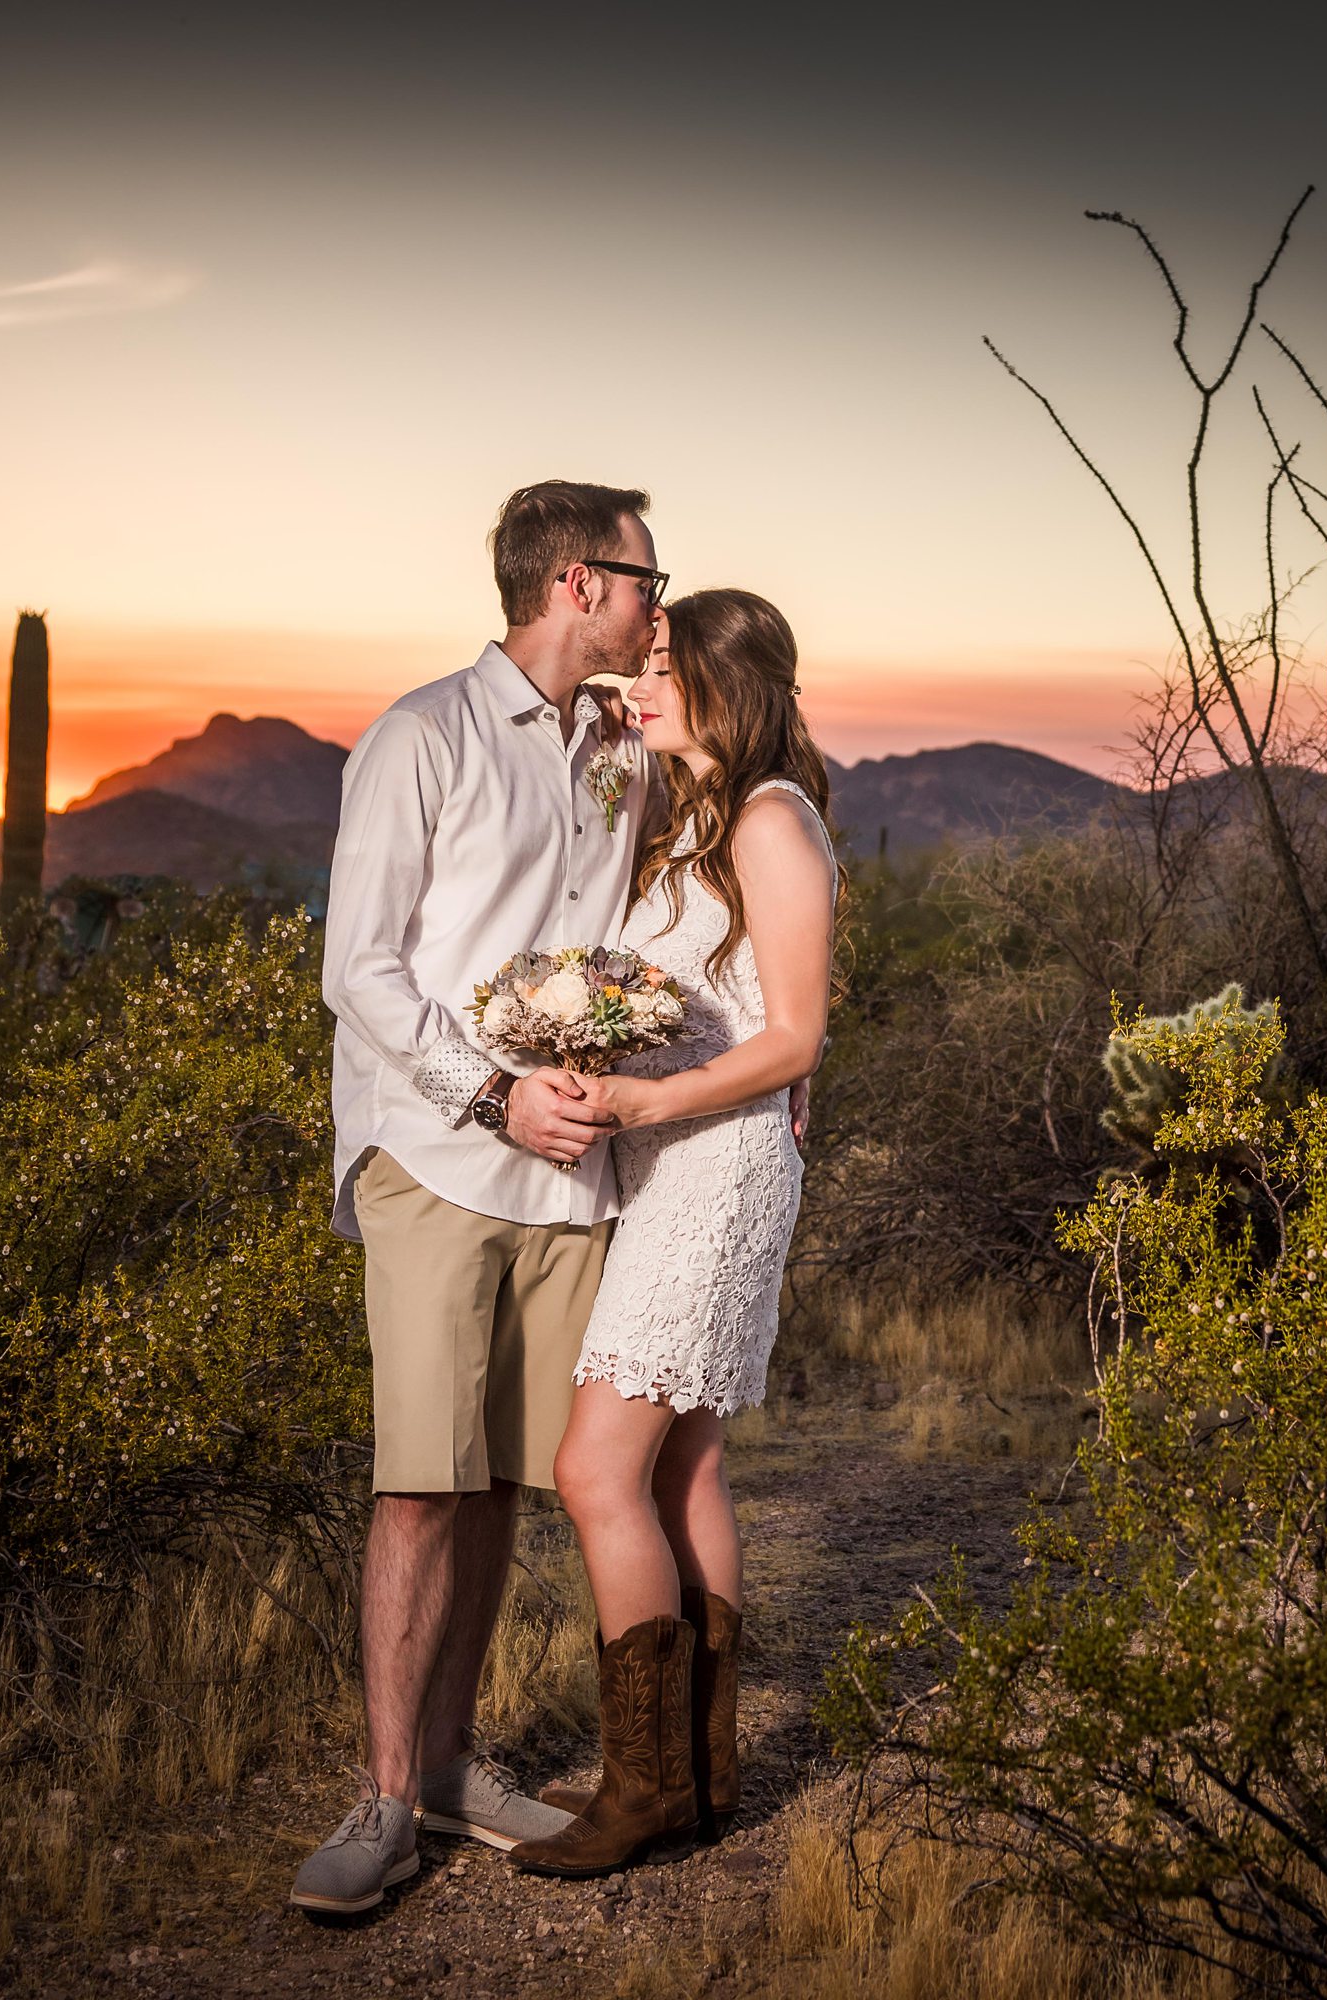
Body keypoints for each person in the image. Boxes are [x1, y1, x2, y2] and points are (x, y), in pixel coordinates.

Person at [290, 480, 668, 1915]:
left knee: (507, 1473)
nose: (655, 601)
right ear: (576, 583)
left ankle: (449, 1771)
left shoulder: (617, 750)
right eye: (644, 575)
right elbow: (360, 970)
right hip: (443, 1161)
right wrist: (490, 1093)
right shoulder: (422, 736)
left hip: (570, 1176)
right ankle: (386, 1802)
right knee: (420, 1479)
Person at [505, 588, 837, 1878]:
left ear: (725, 685)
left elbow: (796, 1034)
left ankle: (640, 1787)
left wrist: (648, 1095)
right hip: (667, 1161)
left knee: (597, 1469)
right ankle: (700, 1777)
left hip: (718, 1170)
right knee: (683, 1467)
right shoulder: (691, 814)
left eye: (662, 667)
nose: (639, 684)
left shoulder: (767, 820)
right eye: (637, 665)